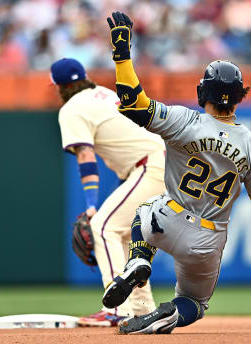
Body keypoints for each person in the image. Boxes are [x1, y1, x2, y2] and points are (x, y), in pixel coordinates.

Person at [102, 12, 251, 334]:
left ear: (204, 92)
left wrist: (122, 55)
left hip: (168, 217)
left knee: (143, 212)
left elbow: (133, 103)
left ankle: (139, 259)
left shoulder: (184, 121)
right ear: (240, 95)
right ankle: (166, 316)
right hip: (208, 238)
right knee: (194, 303)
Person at [52, 57, 165, 327]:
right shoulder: (104, 94)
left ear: (59, 87)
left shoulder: (71, 108)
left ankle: (118, 308)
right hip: (163, 162)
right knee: (122, 231)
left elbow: (86, 155)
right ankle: (140, 309)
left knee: (103, 226)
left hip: (151, 164)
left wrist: (92, 206)